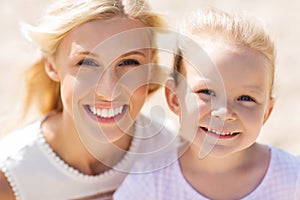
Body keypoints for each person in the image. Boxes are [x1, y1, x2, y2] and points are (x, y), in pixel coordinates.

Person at [114, 7, 300, 199]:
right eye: (207, 92)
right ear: (174, 99)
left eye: (246, 98)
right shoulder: (148, 184)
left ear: (267, 113)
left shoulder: (292, 179)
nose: (225, 112)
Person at [0, 0, 177, 199]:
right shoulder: (10, 176)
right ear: (51, 66)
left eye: (129, 62)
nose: (108, 91)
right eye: (86, 63)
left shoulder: (171, 152)